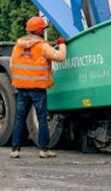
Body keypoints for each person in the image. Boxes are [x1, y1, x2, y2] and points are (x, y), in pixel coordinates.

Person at [10, 16, 67, 159]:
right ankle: (44, 150)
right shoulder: (42, 46)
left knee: (19, 118)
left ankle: (15, 150)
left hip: (22, 88)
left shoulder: (18, 46)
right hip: (37, 89)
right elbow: (60, 57)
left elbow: (12, 65)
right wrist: (62, 44)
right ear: (40, 31)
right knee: (42, 119)